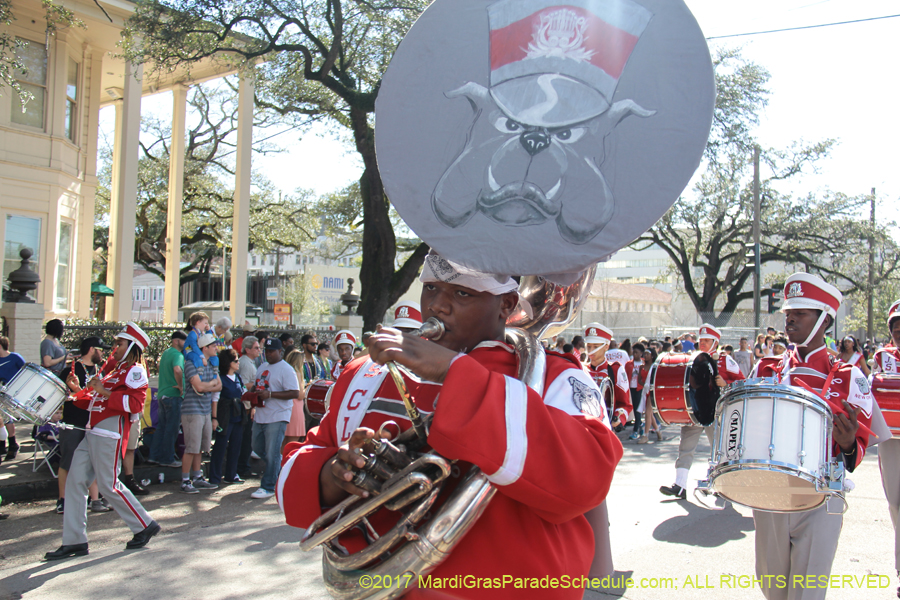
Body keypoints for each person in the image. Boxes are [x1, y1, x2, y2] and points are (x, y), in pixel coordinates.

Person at [277, 252, 623, 597]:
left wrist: (454, 372)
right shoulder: (365, 372)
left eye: (462, 293)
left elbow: (585, 481)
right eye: (430, 288)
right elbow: (300, 464)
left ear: (506, 304)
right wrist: (335, 476)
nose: (437, 307)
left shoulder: (557, 376)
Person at [752, 273, 875, 600]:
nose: (789, 318)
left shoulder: (851, 376)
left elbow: (858, 449)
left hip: (823, 492)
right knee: (772, 587)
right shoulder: (766, 369)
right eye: (788, 312)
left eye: (801, 312)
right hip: (770, 492)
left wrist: (849, 443)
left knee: (807, 593)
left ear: (823, 319)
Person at [44, 323, 160, 560]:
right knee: (75, 481)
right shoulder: (114, 371)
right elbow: (93, 401)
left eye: (120, 343)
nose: (115, 348)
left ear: (131, 347)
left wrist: (104, 392)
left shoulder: (135, 370)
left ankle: (144, 524)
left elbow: (136, 405)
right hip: (93, 429)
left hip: (110, 431)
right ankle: (74, 541)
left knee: (108, 485)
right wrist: (77, 390)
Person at [660, 323, 744, 500]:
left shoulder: (725, 360)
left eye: (707, 340)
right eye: (701, 340)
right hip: (695, 410)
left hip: (717, 411)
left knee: (719, 448)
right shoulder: (693, 359)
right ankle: (680, 485)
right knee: (685, 447)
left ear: (716, 342)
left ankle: (720, 484)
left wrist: (727, 384)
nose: (703, 343)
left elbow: (743, 381)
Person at [58, 336, 110, 515]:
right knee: (68, 461)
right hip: (73, 421)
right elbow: (62, 395)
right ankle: (62, 500)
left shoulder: (100, 370)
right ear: (91, 349)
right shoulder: (70, 371)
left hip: (93, 422)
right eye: (100, 349)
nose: (103, 353)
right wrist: (76, 390)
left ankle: (94, 499)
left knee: (93, 461)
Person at [872, 298, 900, 596]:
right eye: (896, 326)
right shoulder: (883, 357)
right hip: (893, 438)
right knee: (895, 503)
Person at [250, 337, 300, 499]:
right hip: (261, 414)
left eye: (272, 351)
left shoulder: (286, 369)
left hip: (278, 416)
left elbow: (294, 392)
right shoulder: (263, 366)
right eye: (266, 351)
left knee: (272, 452)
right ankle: (279, 469)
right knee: (257, 447)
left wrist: (270, 394)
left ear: (280, 352)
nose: (268, 354)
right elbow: (258, 385)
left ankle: (268, 486)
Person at [180, 333, 221, 494]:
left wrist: (208, 385)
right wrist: (209, 385)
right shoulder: (191, 363)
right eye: (213, 346)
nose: (216, 348)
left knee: (200, 447)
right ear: (205, 348)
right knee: (191, 447)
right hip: (192, 411)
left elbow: (219, 386)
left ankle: (197, 477)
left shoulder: (211, 364)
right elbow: (199, 387)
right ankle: (185, 480)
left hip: (205, 411)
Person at [148, 331, 187, 467]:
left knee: (161, 427)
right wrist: (181, 386)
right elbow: (177, 370)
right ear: (176, 341)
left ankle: (154, 456)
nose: (185, 342)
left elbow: (160, 367)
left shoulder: (166, 353)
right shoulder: (178, 355)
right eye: (183, 340)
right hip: (174, 395)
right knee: (171, 428)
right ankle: (167, 458)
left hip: (162, 394)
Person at [209, 348, 247, 485]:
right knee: (220, 446)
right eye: (236, 361)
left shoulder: (238, 377)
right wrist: (214, 418)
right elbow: (215, 398)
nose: (238, 363)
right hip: (224, 417)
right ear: (228, 363)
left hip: (237, 416)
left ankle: (231, 474)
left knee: (236, 446)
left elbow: (243, 392)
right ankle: (215, 477)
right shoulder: (221, 378)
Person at [236, 336, 260, 478]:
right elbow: (243, 385)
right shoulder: (245, 363)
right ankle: (242, 468)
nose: (259, 350)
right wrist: (257, 384)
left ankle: (244, 466)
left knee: (247, 439)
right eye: (256, 348)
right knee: (245, 440)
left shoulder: (250, 362)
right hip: (245, 406)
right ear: (247, 349)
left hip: (249, 405)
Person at [0, 336, 25, 463]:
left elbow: (25, 371)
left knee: (6, 417)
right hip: (2, 390)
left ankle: (12, 443)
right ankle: (4, 443)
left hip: (14, 392)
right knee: (2, 417)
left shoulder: (15, 357)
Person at [282, 348, 308, 448]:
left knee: (283, 442)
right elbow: (300, 395)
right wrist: (308, 388)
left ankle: (280, 462)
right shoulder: (296, 373)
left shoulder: (286, 372)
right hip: (295, 408)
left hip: (287, 407)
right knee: (292, 443)